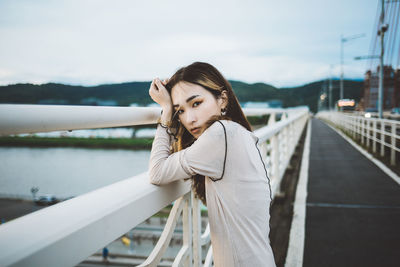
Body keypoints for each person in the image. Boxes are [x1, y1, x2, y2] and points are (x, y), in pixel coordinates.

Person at [148, 62, 276, 267]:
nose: (189, 119)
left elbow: (157, 172)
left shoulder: (220, 135)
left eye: (196, 103)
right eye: (179, 111)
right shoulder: (237, 133)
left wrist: (166, 113)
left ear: (222, 99)